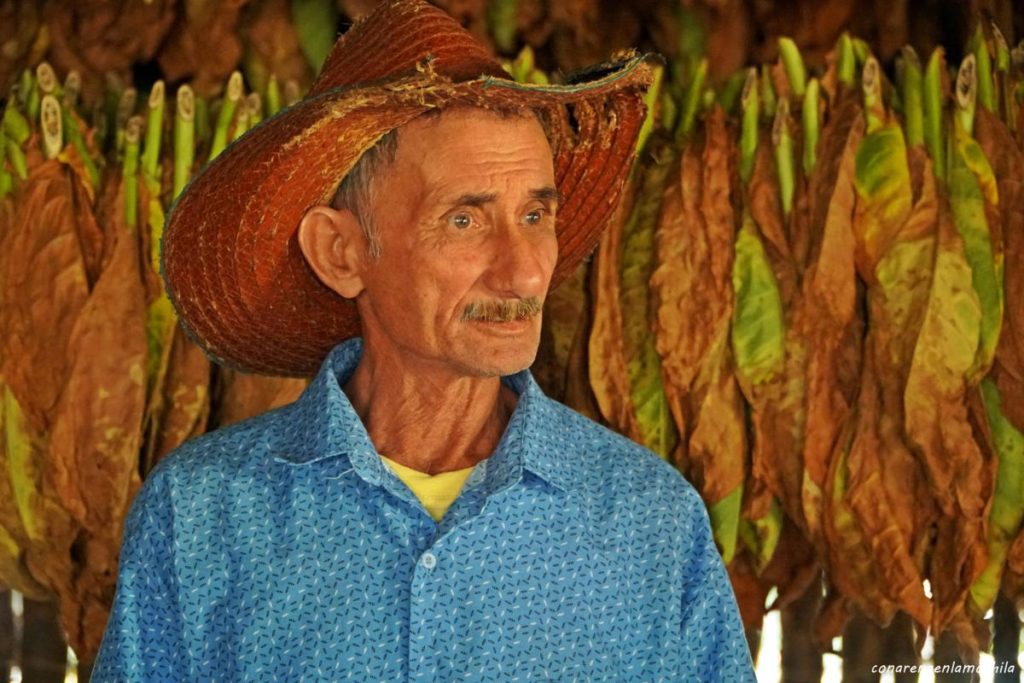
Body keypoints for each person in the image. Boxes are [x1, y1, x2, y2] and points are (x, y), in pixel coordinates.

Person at [93, 1, 755, 680]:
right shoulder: (204, 515)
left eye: (536, 214)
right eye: (465, 219)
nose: (526, 269)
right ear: (341, 252)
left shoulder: (650, 521)